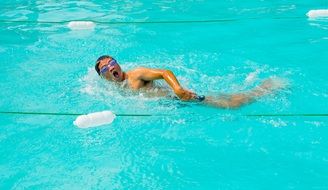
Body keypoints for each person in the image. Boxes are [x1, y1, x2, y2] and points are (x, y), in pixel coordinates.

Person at [95, 55, 283, 109]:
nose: (111, 67)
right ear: (103, 76)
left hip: (179, 98)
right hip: (171, 104)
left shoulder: (136, 74)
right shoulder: (112, 88)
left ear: (118, 63)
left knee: (231, 104)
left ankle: (267, 87)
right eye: (105, 68)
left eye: (112, 63)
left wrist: (178, 89)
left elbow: (164, 72)